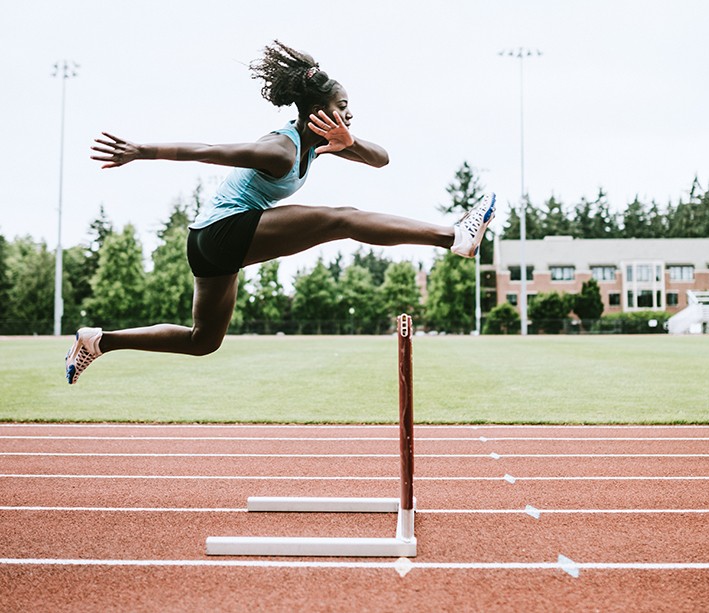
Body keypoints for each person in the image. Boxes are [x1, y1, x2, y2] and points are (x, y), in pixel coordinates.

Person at [66, 40, 496, 384]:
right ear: (317, 110)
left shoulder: (319, 144)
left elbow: (381, 159)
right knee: (341, 217)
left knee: (203, 341)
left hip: (208, 243)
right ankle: (454, 236)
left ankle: (98, 341)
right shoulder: (283, 149)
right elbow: (212, 151)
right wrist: (142, 151)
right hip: (222, 231)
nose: (350, 112)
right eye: (343, 105)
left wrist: (349, 141)